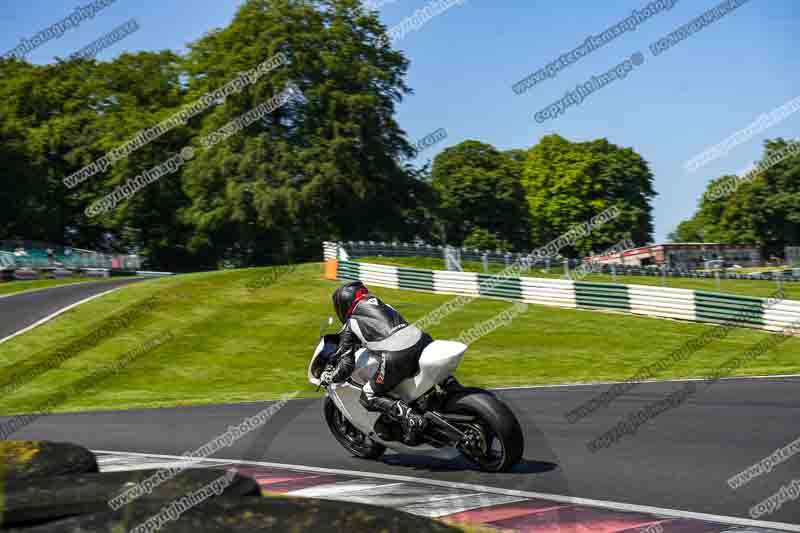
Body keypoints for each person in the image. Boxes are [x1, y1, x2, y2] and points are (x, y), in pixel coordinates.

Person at [322, 281, 433, 444]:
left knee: (368, 395)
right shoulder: (383, 305)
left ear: (344, 304)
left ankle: (411, 418)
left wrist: (331, 378)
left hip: (398, 355)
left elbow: (346, 366)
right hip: (422, 340)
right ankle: (451, 386)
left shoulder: (351, 323)